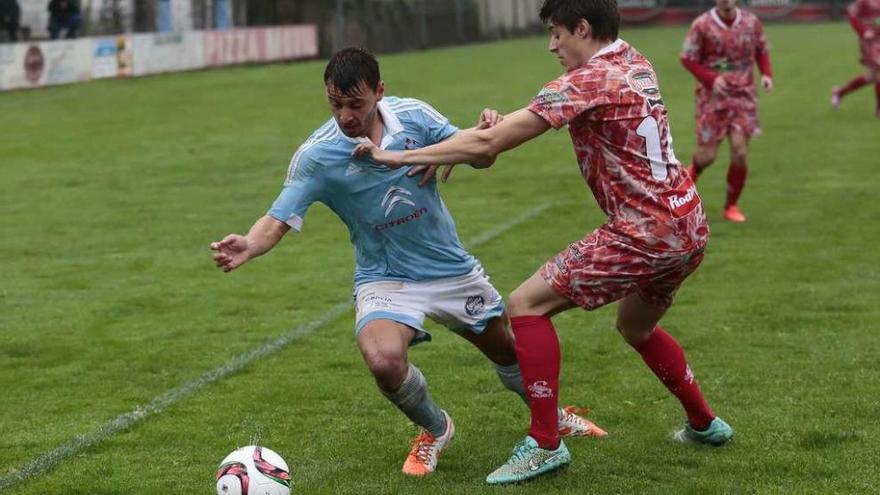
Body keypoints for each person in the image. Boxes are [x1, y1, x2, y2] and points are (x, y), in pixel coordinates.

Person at [354, 0, 733, 485]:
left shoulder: (586, 80)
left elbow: (490, 145)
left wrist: (393, 157)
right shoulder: (634, 61)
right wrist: (473, 134)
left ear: (582, 27)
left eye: (557, 34)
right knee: (636, 326)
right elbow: (490, 135)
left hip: (646, 231)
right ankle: (705, 423)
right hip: (688, 222)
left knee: (526, 304)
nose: (552, 45)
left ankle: (544, 443)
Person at [211, 47, 604, 479]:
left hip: (450, 268)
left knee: (507, 349)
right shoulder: (318, 155)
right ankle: (435, 429)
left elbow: (479, 154)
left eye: (355, 103)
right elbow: (278, 219)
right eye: (335, 104)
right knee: (382, 360)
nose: (345, 115)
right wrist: (249, 243)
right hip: (385, 277)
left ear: (379, 91)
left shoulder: (414, 118)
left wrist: (486, 133)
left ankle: (551, 418)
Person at [679, 0, 773, 223]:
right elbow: (687, 58)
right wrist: (711, 79)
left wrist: (767, 74)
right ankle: (685, 184)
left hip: (744, 93)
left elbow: (761, 49)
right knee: (707, 156)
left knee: (740, 151)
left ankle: (731, 205)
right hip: (712, 97)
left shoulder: (751, 22)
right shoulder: (702, 24)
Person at [831, 0, 880, 117]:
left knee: (870, 77)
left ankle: (839, 92)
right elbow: (851, 13)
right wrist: (863, 31)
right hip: (870, 41)